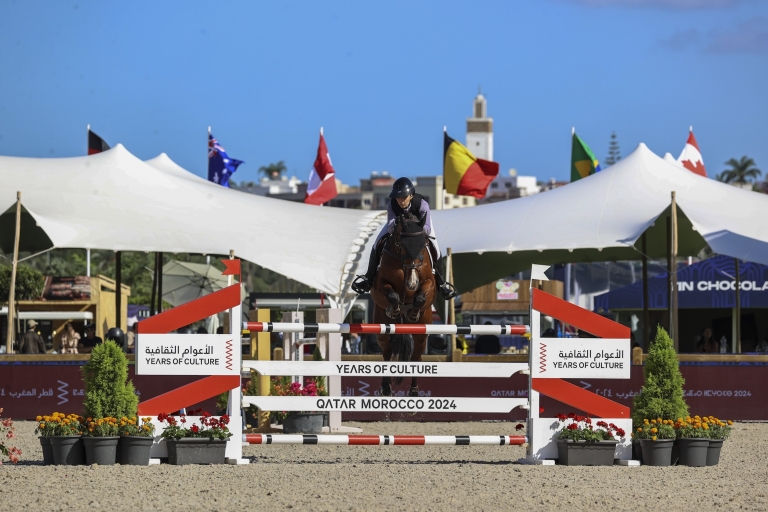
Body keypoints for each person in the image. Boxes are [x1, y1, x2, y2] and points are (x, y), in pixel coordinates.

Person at [351, 177, 457, 300]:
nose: (401, 201)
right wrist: (398, 223)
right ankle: (368, 279)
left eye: (404, 197)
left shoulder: (422, 204)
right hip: (399, 228)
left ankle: (441, 284)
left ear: (411, 195)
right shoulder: (391, 205)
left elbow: (427, 227)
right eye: (398, 198)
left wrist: (413, 225)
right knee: (376, 243)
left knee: (436, 249)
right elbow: (390, 227)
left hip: (420, 228)